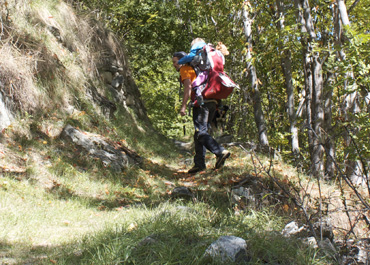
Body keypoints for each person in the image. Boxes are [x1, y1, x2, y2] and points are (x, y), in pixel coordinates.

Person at [172, 51, 230, 174]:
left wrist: (183, 106)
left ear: (183, 60)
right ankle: (199, 164)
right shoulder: (200, 70)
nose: (174, 65)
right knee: (199, 134)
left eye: (175, 61)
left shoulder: (185, 69)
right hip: (212, 102)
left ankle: (220, 152)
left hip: (201, 103)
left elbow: (188, 88)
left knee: (200, 132)